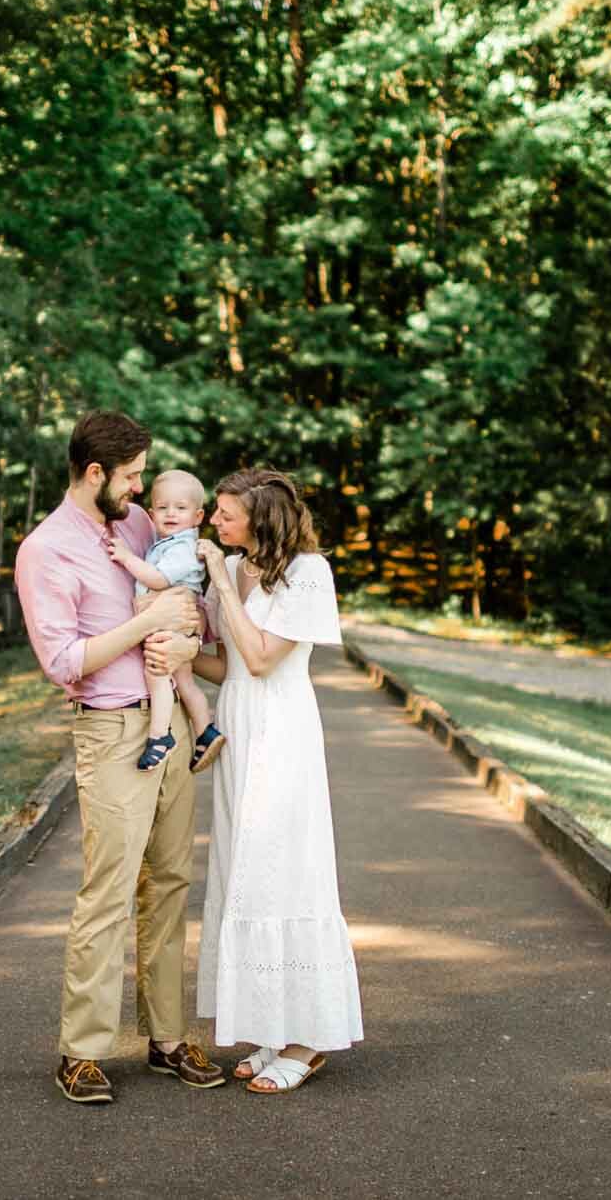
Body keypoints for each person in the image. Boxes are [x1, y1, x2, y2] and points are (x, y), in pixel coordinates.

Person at [13, 411, 228, 1105]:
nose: (142, 489)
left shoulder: (139, 526)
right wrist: (146, 624)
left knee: (169, 881)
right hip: (110, 733)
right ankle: (81, 1050)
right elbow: (63, 660)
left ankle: (168, 1037)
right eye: (133, 475)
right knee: (108, 889)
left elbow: (185, 605)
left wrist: (188, 640)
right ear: (96, 472)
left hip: (167, 725)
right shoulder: (45, 550)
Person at [190, 468, 364, 1094]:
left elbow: (263, 658)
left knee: (287, 868)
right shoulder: (235, 570)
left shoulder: (309, 573)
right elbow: (231, 666)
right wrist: (181, 656)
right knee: (245, 871)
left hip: (284, 732)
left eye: (226, 515)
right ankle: (269, 1024)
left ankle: (308, 1039)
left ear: (261, 520)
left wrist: (222, 589)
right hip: (240, 726)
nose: (215, 522)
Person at [105, 468, 225, 773]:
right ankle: (205, 730)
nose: (171, 513)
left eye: (181, 508)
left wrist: (126, 558)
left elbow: (159, 579)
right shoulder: (167, 543)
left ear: (198, 517)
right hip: (173, 620)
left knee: (157, 674)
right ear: (151, 512)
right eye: (162, 507)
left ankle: (160, 737)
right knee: (183, 680)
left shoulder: (183, 547)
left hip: (171, 621)